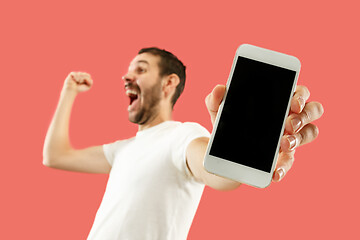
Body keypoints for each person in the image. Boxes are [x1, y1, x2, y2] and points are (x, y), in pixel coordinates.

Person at [43, 47, 324, 239]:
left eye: (140, 69)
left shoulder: (184, 135)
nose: (127, 77)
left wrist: (241, 149)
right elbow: (55, 156)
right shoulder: (122, 150)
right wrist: (68, 92)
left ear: (169, 83)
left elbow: (218, 174)